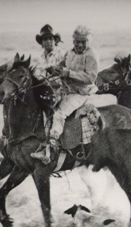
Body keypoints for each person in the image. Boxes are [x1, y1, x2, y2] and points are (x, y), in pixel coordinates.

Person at [31, 25, 99, 165]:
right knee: (45, 108)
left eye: (83, 42)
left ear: (88, 42)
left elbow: (91, 78)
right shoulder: (69, 53)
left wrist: (68, 73)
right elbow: (61, 66)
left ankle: (53, 145)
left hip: (80, 93)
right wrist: (54, 70)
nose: (80, 44)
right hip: (66, 90)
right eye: (77, 41)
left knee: (59, 114)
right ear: (73, 41)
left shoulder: (91, 55)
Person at [33, 24, 65, 108]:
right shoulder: (41, 58)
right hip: (43, 91)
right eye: (45, 39)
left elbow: (64, 75)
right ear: (41, 43)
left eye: (50, 38)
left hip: (58, 91)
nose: (48, 41)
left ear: (55, 41)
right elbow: (37, 75)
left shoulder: (61, 55)